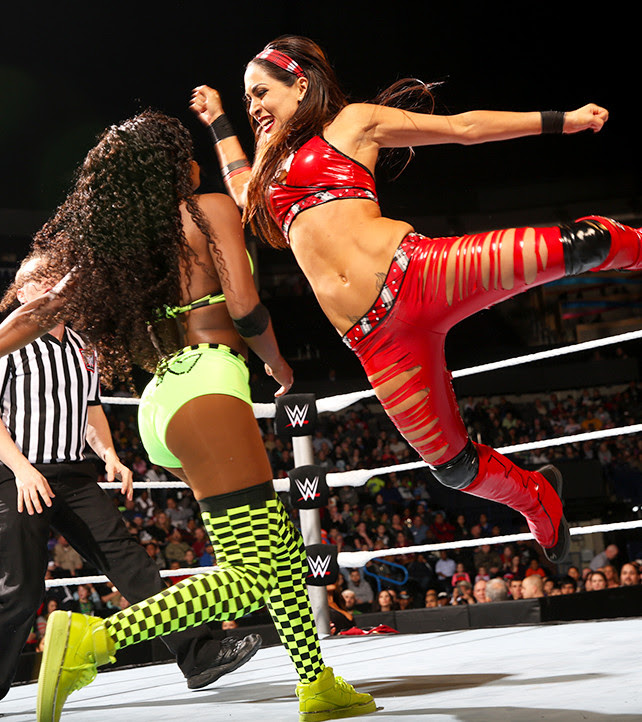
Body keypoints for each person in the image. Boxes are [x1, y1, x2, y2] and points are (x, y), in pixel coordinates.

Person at [191, 35, 642, 568]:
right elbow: (242, 190)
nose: (253, 107)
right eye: (247, 99)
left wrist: (563, 120)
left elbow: (464, 128)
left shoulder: (351, 124)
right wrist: (218, 120)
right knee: (453, 467)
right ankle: (537, 498)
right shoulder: (270, 170)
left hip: (422, 275)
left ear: (301, 85)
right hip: (376, 342)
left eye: (261, 92)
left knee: (584, 244)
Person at [0, 113, 374, 721]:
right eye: (185, 152)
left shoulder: (116, 245)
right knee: (253, 574)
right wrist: (277, 362)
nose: (196, 161)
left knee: (278, 551)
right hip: (207, 387)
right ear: (170, 166)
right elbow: (245, 307)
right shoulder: (206, 211)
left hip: (164, 401)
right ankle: (94, 640)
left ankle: (316, 683)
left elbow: (39, 312)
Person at [0, 255, 259, 702]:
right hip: (16, 474)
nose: (50, 283)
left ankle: (198, 653)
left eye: (53, 276)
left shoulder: (83, 346)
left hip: (74, 475)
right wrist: (22, 469)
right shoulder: (7, 343)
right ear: (21, 293)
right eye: (38, 279)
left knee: (131, 563)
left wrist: (110, 456)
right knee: (20, 590)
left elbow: (91, 409)